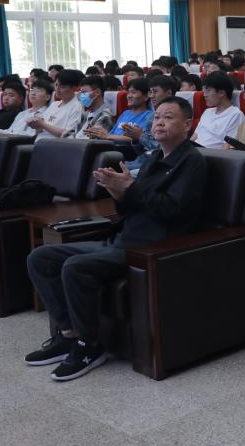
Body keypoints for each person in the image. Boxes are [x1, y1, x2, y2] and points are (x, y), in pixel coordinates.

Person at [24, 97, 207, 382]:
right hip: (122, 238)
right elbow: (132, 206)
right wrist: (119, 194)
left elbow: (173, 210)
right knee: (40, 257)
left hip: (148, 247)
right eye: (157, 117)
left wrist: (131, 188)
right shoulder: (154, 158)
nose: (159, 122)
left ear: (187, 124)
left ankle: (90, 345)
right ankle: (69, 333)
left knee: (75, 267)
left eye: (168, 117)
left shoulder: (192, 162)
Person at [83, 78, 152, 144]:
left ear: (146, 96)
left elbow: (138, 139)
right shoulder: (125, 113)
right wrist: (98, 133)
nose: (129, 96)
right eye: (128, 93)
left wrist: (107, 136)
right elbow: (111, 134)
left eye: (133, 92)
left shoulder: (150, 116)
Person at [191, 71, 244, 149]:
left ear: (221, 93)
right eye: (204, 91)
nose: (204, 95)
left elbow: (227, 148)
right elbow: (195, 136)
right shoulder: (207, 112)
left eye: (208, 90)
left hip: (211, 155)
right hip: (195, 152)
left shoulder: (236, 115)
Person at [30, 69, 85, 141]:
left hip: (56, 144)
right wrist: (37, 126)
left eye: (62, 87)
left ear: (74, 88)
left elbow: (68, 134)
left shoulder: (77, 107)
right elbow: (42, 128)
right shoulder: (54, 104)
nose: (57, 89)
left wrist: (43, 125)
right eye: (56, 85)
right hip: (40, 141)